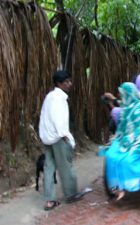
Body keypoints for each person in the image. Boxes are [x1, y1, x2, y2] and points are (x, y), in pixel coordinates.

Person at [39, 70, 83, 211]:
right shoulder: (59, 98)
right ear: (59, 83)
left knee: (49, 168)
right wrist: (65, 136)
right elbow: (59, 120)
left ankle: (50, 200)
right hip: (58, 138)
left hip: (48, 137)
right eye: (67, 82)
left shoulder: (50, 96)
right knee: (66, 167)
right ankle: (71, 195)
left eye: (70, 81)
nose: (70, 84)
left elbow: (45, 117)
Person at [105, 82, 140, 200]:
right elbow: (122, 127)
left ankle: (128, 186)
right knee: (111, 156)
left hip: (139, 138)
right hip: (125, 137)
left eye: (123, 94)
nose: (121, 97)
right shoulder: (126, 107)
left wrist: (129, 139)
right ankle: (117, 187)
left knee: (127, 160)